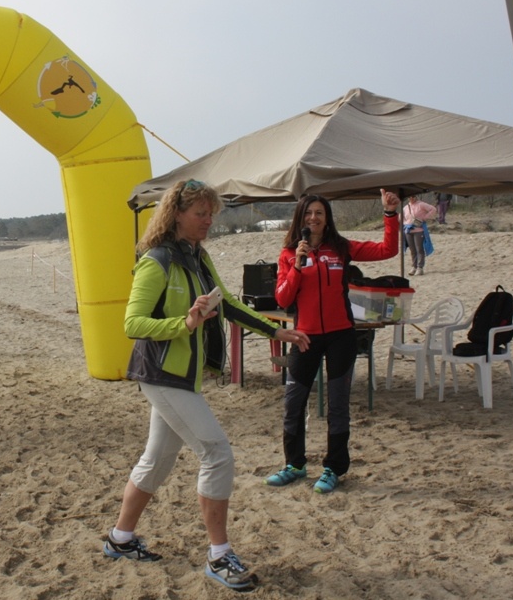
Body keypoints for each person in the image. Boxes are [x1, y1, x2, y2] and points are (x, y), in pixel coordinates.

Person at [102, 179, 310, 592]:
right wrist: (184, 323)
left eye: (211, 213)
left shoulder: (198, 256)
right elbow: (133, 324)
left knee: (157, 461)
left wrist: (276, 331)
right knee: (217, 453)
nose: (208, 221)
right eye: (200, 213)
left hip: (184, 376)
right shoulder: (157, 261)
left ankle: (120, 539)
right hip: (162, 374)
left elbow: (227, 303)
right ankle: (219, 556)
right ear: (176, 214)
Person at [266, 189, 400, 495]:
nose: (313, 218)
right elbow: (283, 298)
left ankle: (333, 468)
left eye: (319, 213)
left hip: (341, 336)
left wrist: (390, 214)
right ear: (300, 218)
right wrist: (297, 265)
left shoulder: (341, 248)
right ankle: (294, 465)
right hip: (305, 338)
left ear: (327, 219)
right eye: (308, 213)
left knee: (338, 406)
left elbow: (387, 250)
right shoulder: (289, 253)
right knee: (293, 404)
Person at [403, 194, 437, 276]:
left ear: (416, 197)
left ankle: (420, 267)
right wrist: (405, 224)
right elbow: (403, 218)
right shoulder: (405, 207)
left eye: (413, 196)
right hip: (408, 230)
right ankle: (414, 266)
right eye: (409, 197)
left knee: (419, 249)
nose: (411, 198)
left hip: (419, 230)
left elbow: (433, 209)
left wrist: (424, 218)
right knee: (412, 250)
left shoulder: (421, 204)